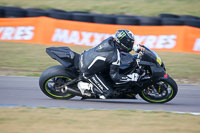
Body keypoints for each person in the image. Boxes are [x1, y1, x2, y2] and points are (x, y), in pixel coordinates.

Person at [78, 29, 140, 99]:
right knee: (108, 93)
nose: (130, 44)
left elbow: (123, 47)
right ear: (123, 43)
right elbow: (115, 77)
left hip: (85, 56)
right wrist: (131, 78)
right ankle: (86, 87)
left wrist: (133, 48)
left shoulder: (111, 40)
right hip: (88, 71)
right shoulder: (114, 56)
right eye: (129, 43)